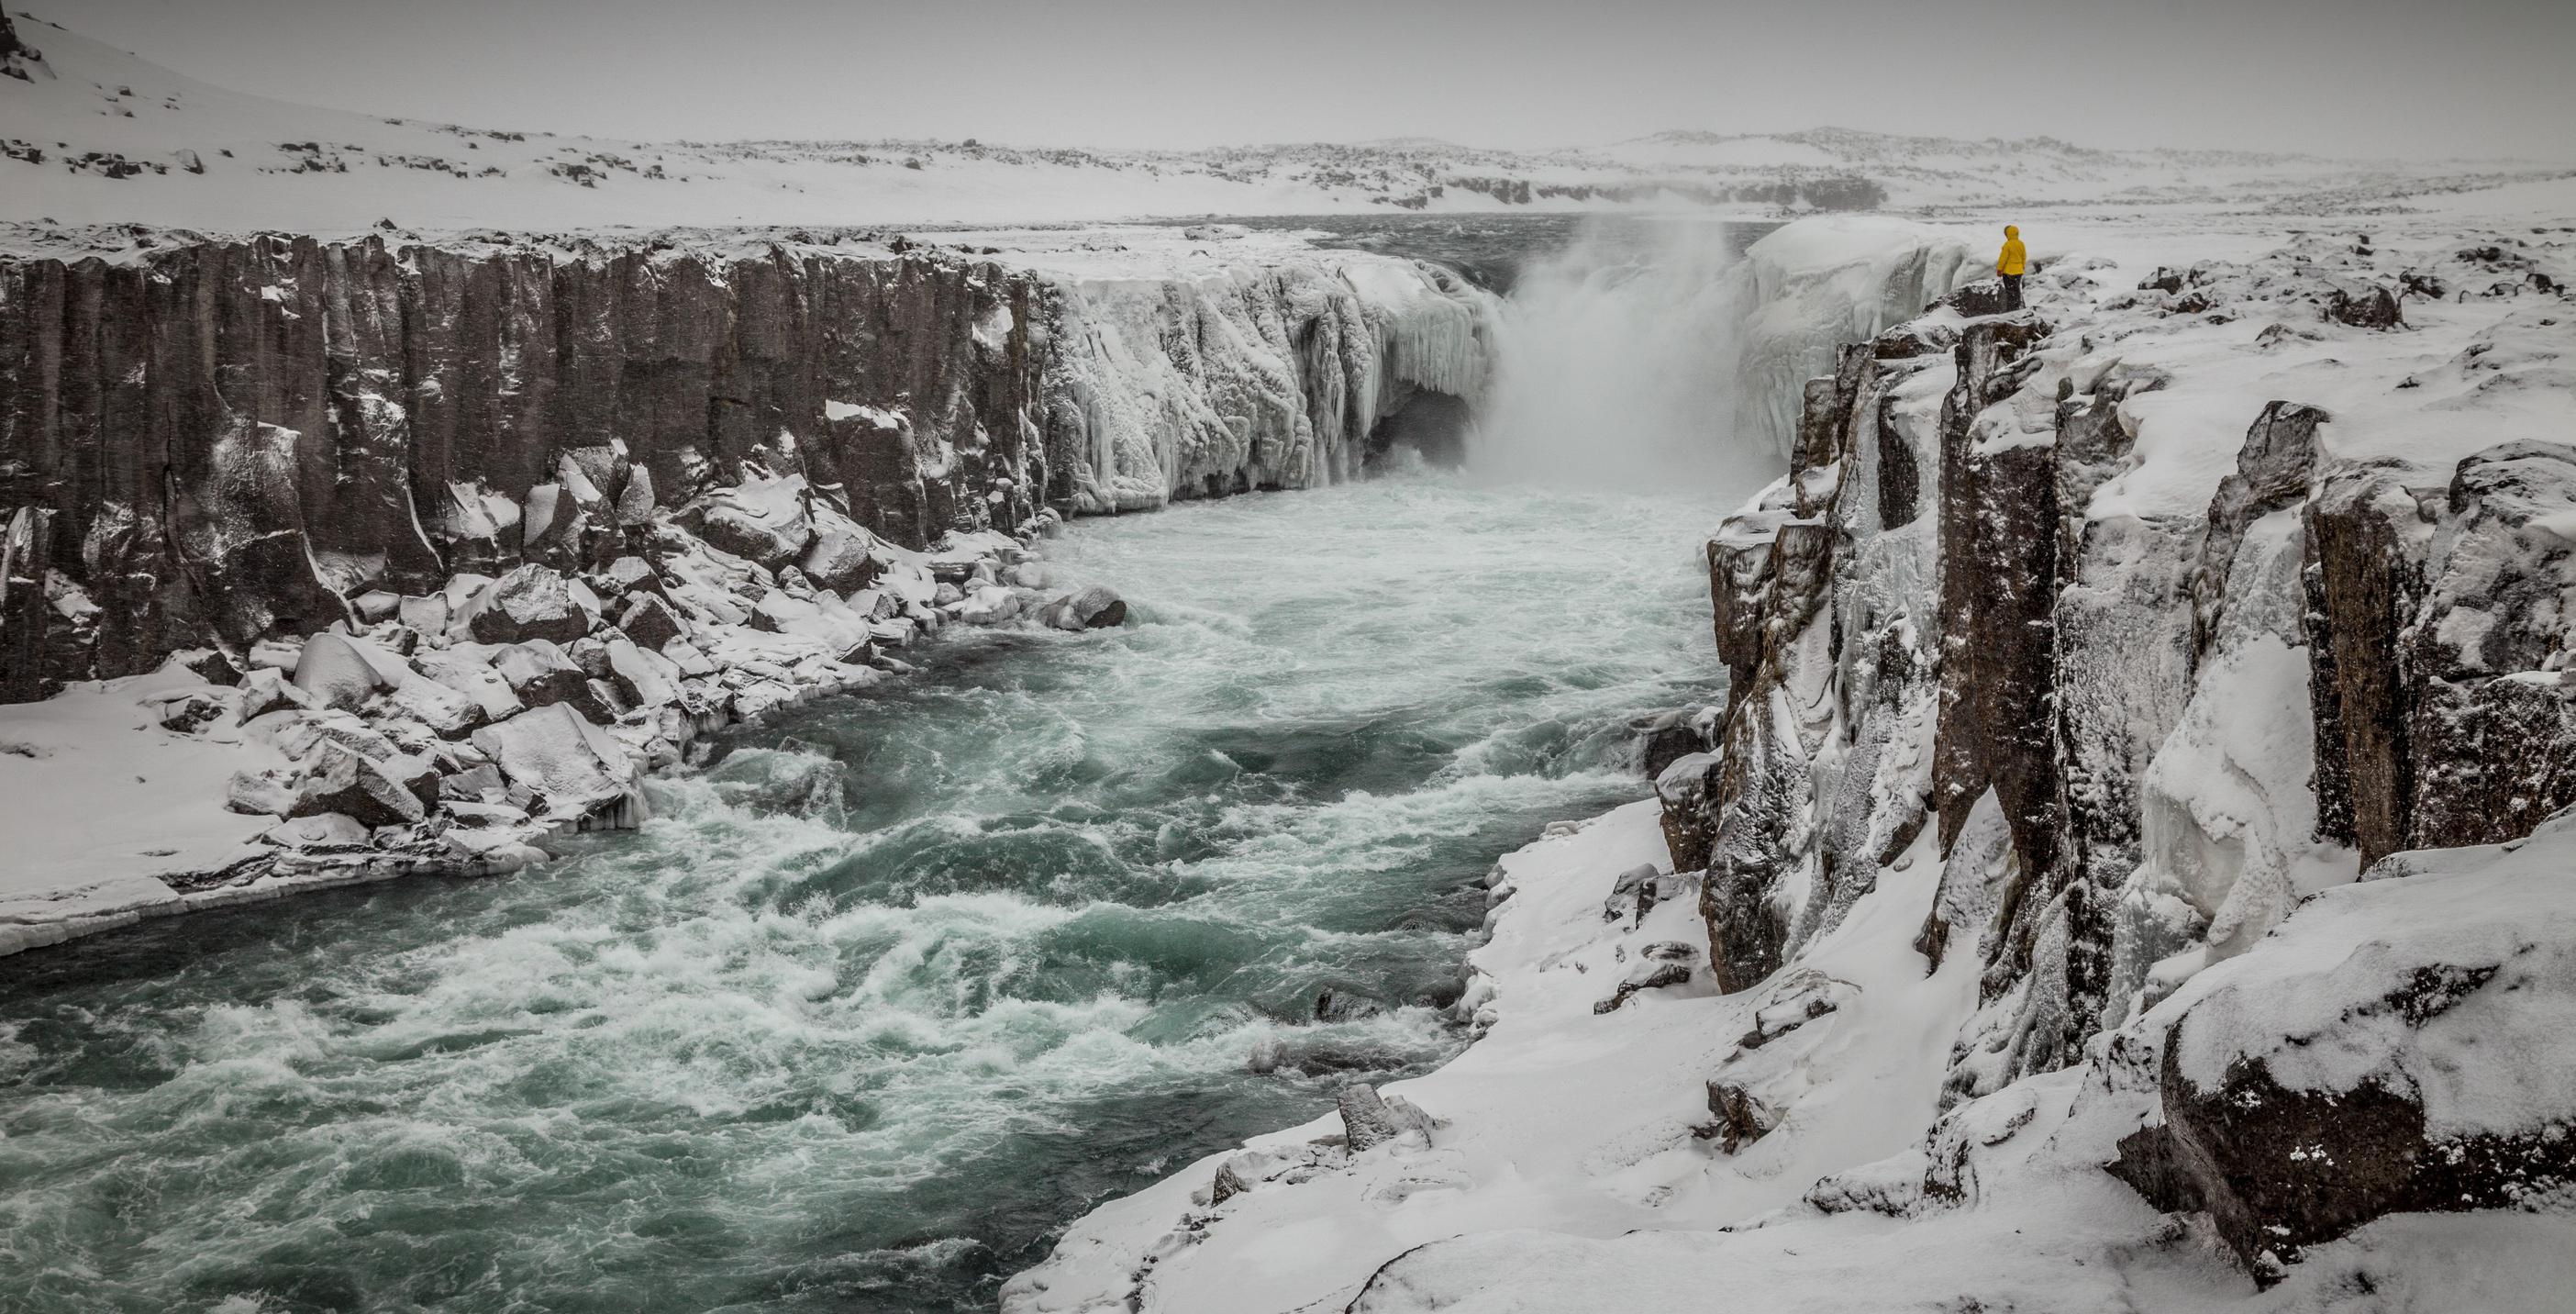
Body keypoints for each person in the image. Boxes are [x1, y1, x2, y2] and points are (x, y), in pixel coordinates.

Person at [1997, 225, 2027, 312]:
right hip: (2019, 271)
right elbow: (2024, 257)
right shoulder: (2021, 244)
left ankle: (2011, 309)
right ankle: (2018, 306)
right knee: (2017, 289)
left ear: (2008, 234)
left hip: (2008, 271)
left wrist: (1999, 269)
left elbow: (2003, 259)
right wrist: (2022, 266)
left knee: (2010, 291)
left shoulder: (2008, 245)